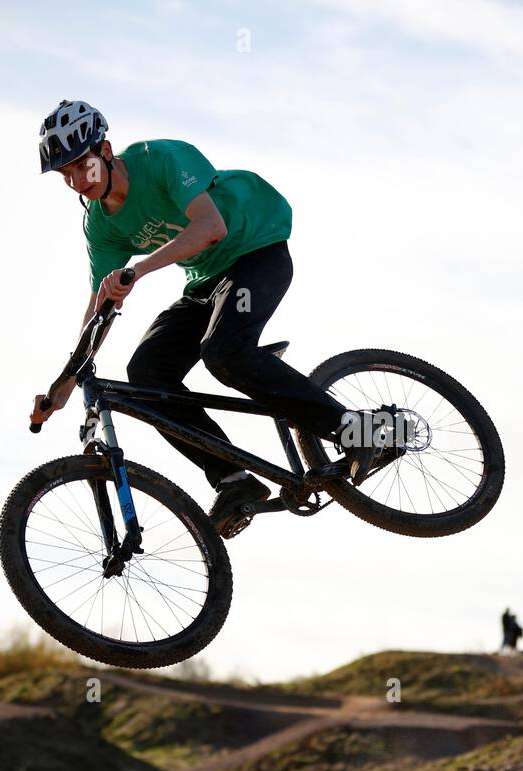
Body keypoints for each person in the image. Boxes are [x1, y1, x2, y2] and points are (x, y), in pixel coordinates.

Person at [29, 100, 392, 538]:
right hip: (206, 282)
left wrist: (138, 271)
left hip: (256, 249)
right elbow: (98, 305)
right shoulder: (100, 226)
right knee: (145, 376)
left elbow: (210, 227)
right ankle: (234, 480)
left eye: (79, 167)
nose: (75, 182)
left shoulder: (159, 159)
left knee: (224, 353)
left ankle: (356, 428)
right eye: (64, 175)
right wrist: (65, 384)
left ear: (104, 149)